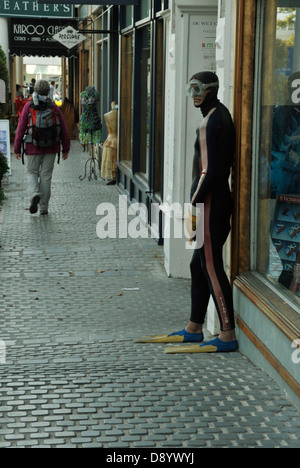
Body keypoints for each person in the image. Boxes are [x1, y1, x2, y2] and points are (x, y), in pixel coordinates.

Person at [137, 71, 238, 353]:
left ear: (211, 90)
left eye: (198, 89)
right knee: (198, 264)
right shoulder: (221, 115)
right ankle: (194, 327)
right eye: (189, 88)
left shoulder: (211, 122)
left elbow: (211, 171)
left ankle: (227, 332)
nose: (193, 94)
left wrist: (193, 206)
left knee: (211, 266)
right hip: (213, 201)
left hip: (210, 203)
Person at [14, 79, 70, 215]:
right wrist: (65, 148)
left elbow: (21, 128)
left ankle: (34, 193)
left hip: (32, 147)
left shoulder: (29, 106)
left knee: (32, 172)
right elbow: (63, 127)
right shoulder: (53, 106)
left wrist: (17, 148)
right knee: (46, 177)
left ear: (35, 90)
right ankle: (44, 208)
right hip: (51, 147)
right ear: (48, 91)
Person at [101, 101, 118, 183]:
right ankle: (114, 177)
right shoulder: (108, 115)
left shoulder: (108, 115)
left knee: (111, 160)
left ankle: (114, 177)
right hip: (114, 139)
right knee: (112, 160)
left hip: (111, 139)